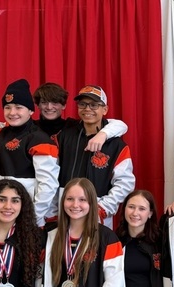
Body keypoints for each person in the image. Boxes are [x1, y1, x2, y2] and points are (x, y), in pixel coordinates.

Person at [0, 82, 127, 154]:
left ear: (64, 105)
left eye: (55, 102)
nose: (49, 107)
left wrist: (102, 135)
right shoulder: (26, 128)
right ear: (35, 107)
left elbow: (120, 124)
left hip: (68, 198)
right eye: (44, 103)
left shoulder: (74, 127)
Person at [54, 85, 135, 229]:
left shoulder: (116, 145)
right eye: (83, 104)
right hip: (65, 211)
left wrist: (103, 208)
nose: (87, 109)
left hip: (97, 216)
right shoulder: (64, 136)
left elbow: (125, 183)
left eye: (94, 105)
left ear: (105, 109)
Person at [0, 79, 59, 227]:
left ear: (31, 111)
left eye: (18, 107)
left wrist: (33, 217)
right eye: (7, 107)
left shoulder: (39, 139)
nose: (12, 112)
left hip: (27, 217)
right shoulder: (0, 132)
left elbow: (48, 185)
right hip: (2, 212)